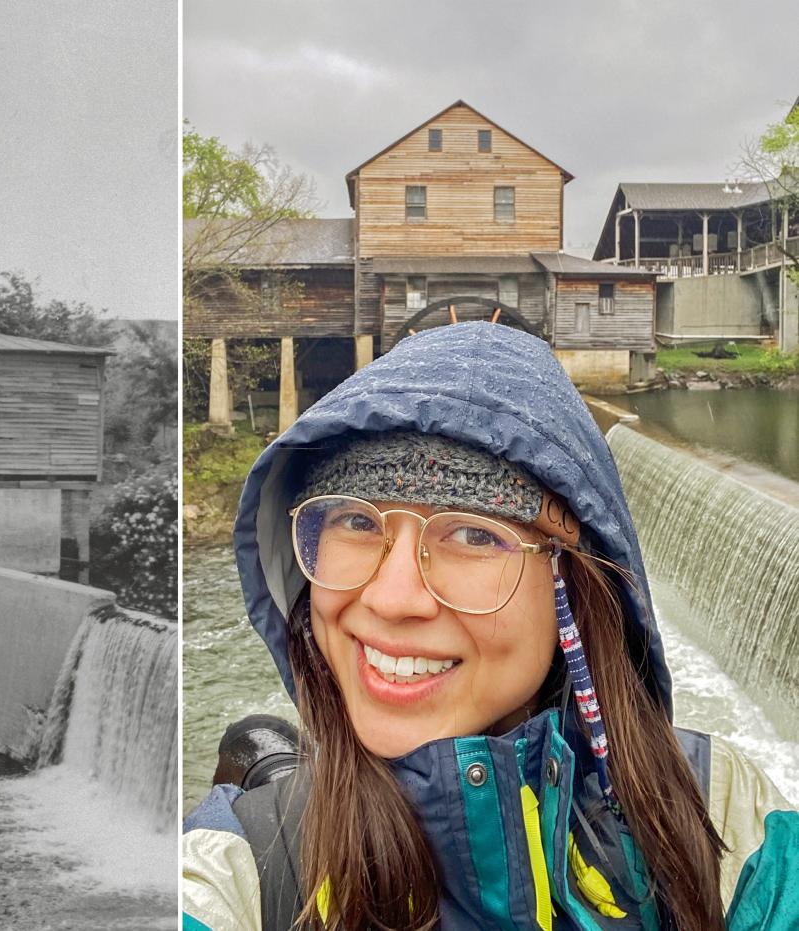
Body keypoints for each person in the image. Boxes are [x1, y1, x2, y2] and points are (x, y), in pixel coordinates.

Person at [183, 323, 798, 931]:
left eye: (475, 534)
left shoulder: (726, 826)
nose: (393, 599)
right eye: (357, 522)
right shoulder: (238, 871)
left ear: (577, 588)